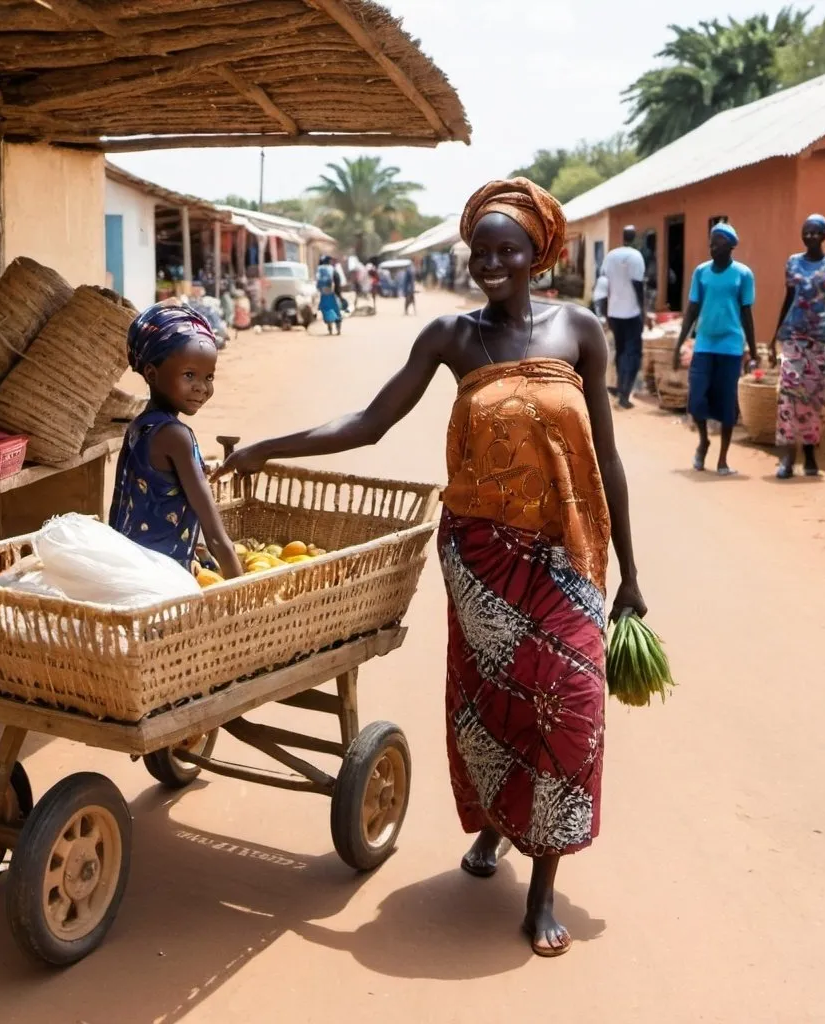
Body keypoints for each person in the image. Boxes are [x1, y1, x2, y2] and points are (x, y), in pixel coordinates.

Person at [215, 178, 646, 959]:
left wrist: (633, 576)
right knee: (489, 704)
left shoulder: (580, 330)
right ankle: (490, 827)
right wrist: (264, 448)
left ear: (536, 253)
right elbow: (369, 422)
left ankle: (542, 888)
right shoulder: (451, 336)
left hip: (567, 554)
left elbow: (607, 458)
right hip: (480, 553)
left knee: (569, 709)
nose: (489, 261)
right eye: (478, 249)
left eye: (504, 248)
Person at [109, 303, 242, 581]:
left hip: (131, 565)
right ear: (151, 374)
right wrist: (245, 591)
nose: (201, 387)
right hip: (164, 578)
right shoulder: (176, 436)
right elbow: (216, 537)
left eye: (209, 377)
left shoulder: (139, 426)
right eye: (189, 375)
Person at [673, 223, 758, 476]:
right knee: (696, 399)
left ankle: (722, 459)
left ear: (731, 246)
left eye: (718, 243)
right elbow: (692, 310)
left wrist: (753, 351)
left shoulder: (743, 274)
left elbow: (746, 312)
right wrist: (679, 344)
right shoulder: (701, 273)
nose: (712, 248)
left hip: (731, 346)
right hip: (705, 344)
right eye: (710, 243)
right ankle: (703, 441)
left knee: (727, 403)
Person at [769, 214, 825, 478]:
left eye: (817, 232)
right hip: (794, 337)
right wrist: (774, 336)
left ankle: (809, 455)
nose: (811, 237)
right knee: (788, 394)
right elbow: (788, 298)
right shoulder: (793, 262)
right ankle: (787, 457)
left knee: (814, 399)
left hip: (822, 340)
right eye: (807, 232)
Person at [601, 226, 646, 408]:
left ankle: (620, 388)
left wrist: (605, 310)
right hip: (631, 313)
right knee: (632, 354)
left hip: (614, 312)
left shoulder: (611, 255)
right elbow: (638, 285)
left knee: (620, 351)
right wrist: (643, 309)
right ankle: (625, 395)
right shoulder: (636, 257)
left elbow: (603, 282)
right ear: (634, 237)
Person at [316, 256, 343, 336]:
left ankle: (330, 330)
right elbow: (337, 282)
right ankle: (338, 330)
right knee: (337, 311)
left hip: (324, 294)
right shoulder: (333, 270)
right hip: (333, 294)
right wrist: (339, 294)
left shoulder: (319, 270)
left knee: (327, 312)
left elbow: (317, 284)